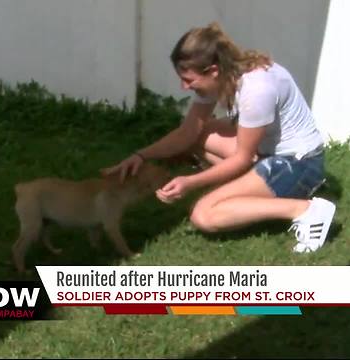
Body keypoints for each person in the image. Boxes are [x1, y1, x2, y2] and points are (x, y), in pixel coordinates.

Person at [102, 22, 336, 252]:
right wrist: (141, 155)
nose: (184, 87)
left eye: (188, 79)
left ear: (213, 70)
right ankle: (258, 192)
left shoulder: (256, 90)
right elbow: (188, 132)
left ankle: (305, 210)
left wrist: (190, 182)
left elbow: (243, 158)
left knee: (204, 214)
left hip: (298, 163)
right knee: (202, 132)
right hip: (269, 154)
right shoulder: (225, 77)